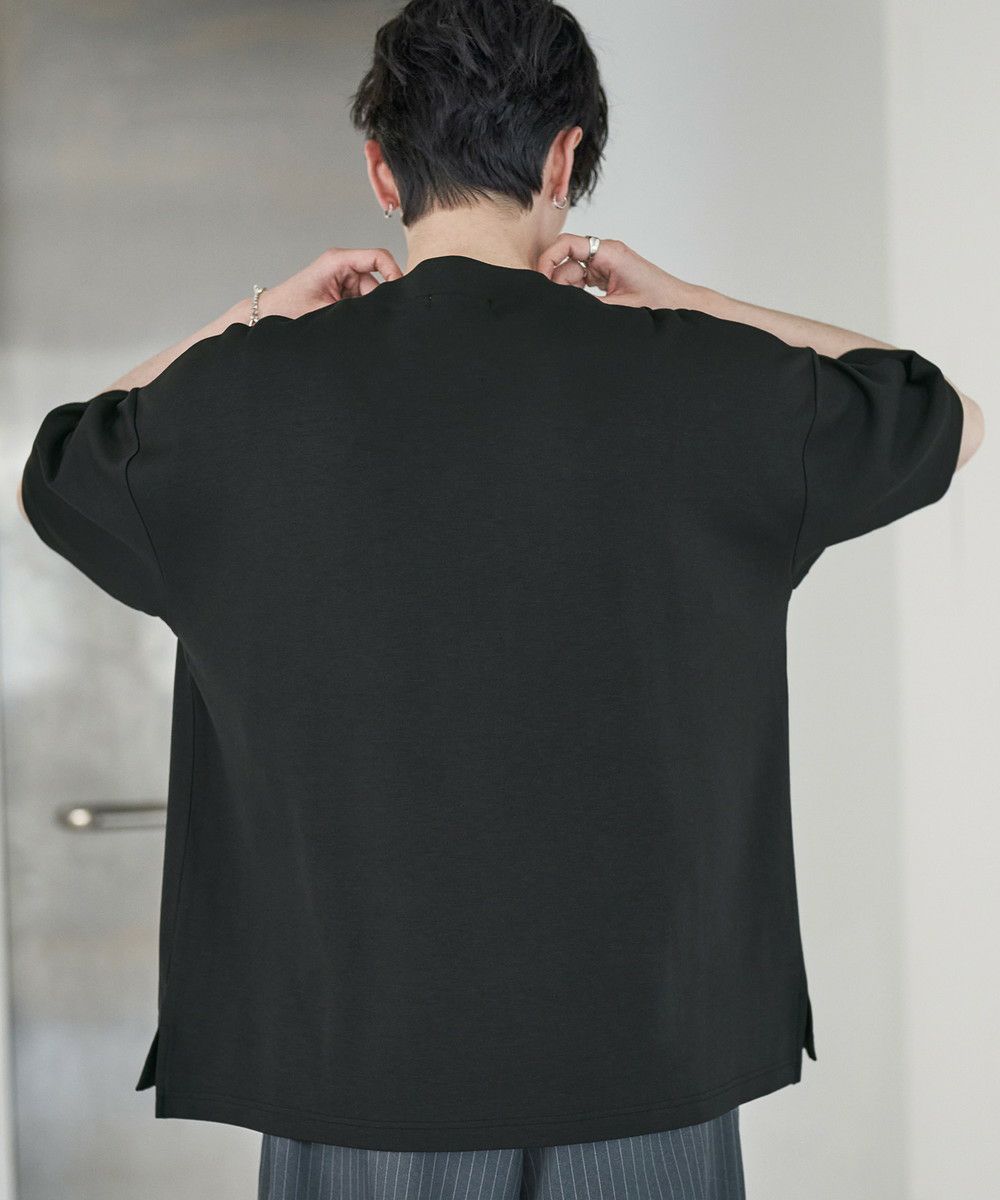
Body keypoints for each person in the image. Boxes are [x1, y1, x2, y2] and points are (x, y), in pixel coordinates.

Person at [17, 1, 984, 1198]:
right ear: (564, 160)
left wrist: (250, 322)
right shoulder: (700, 383)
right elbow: (941, 416)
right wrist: (687, 303)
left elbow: (59, 463)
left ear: (382, 171)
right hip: (643, 1063)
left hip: (359, 1077)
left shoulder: (243, 403)